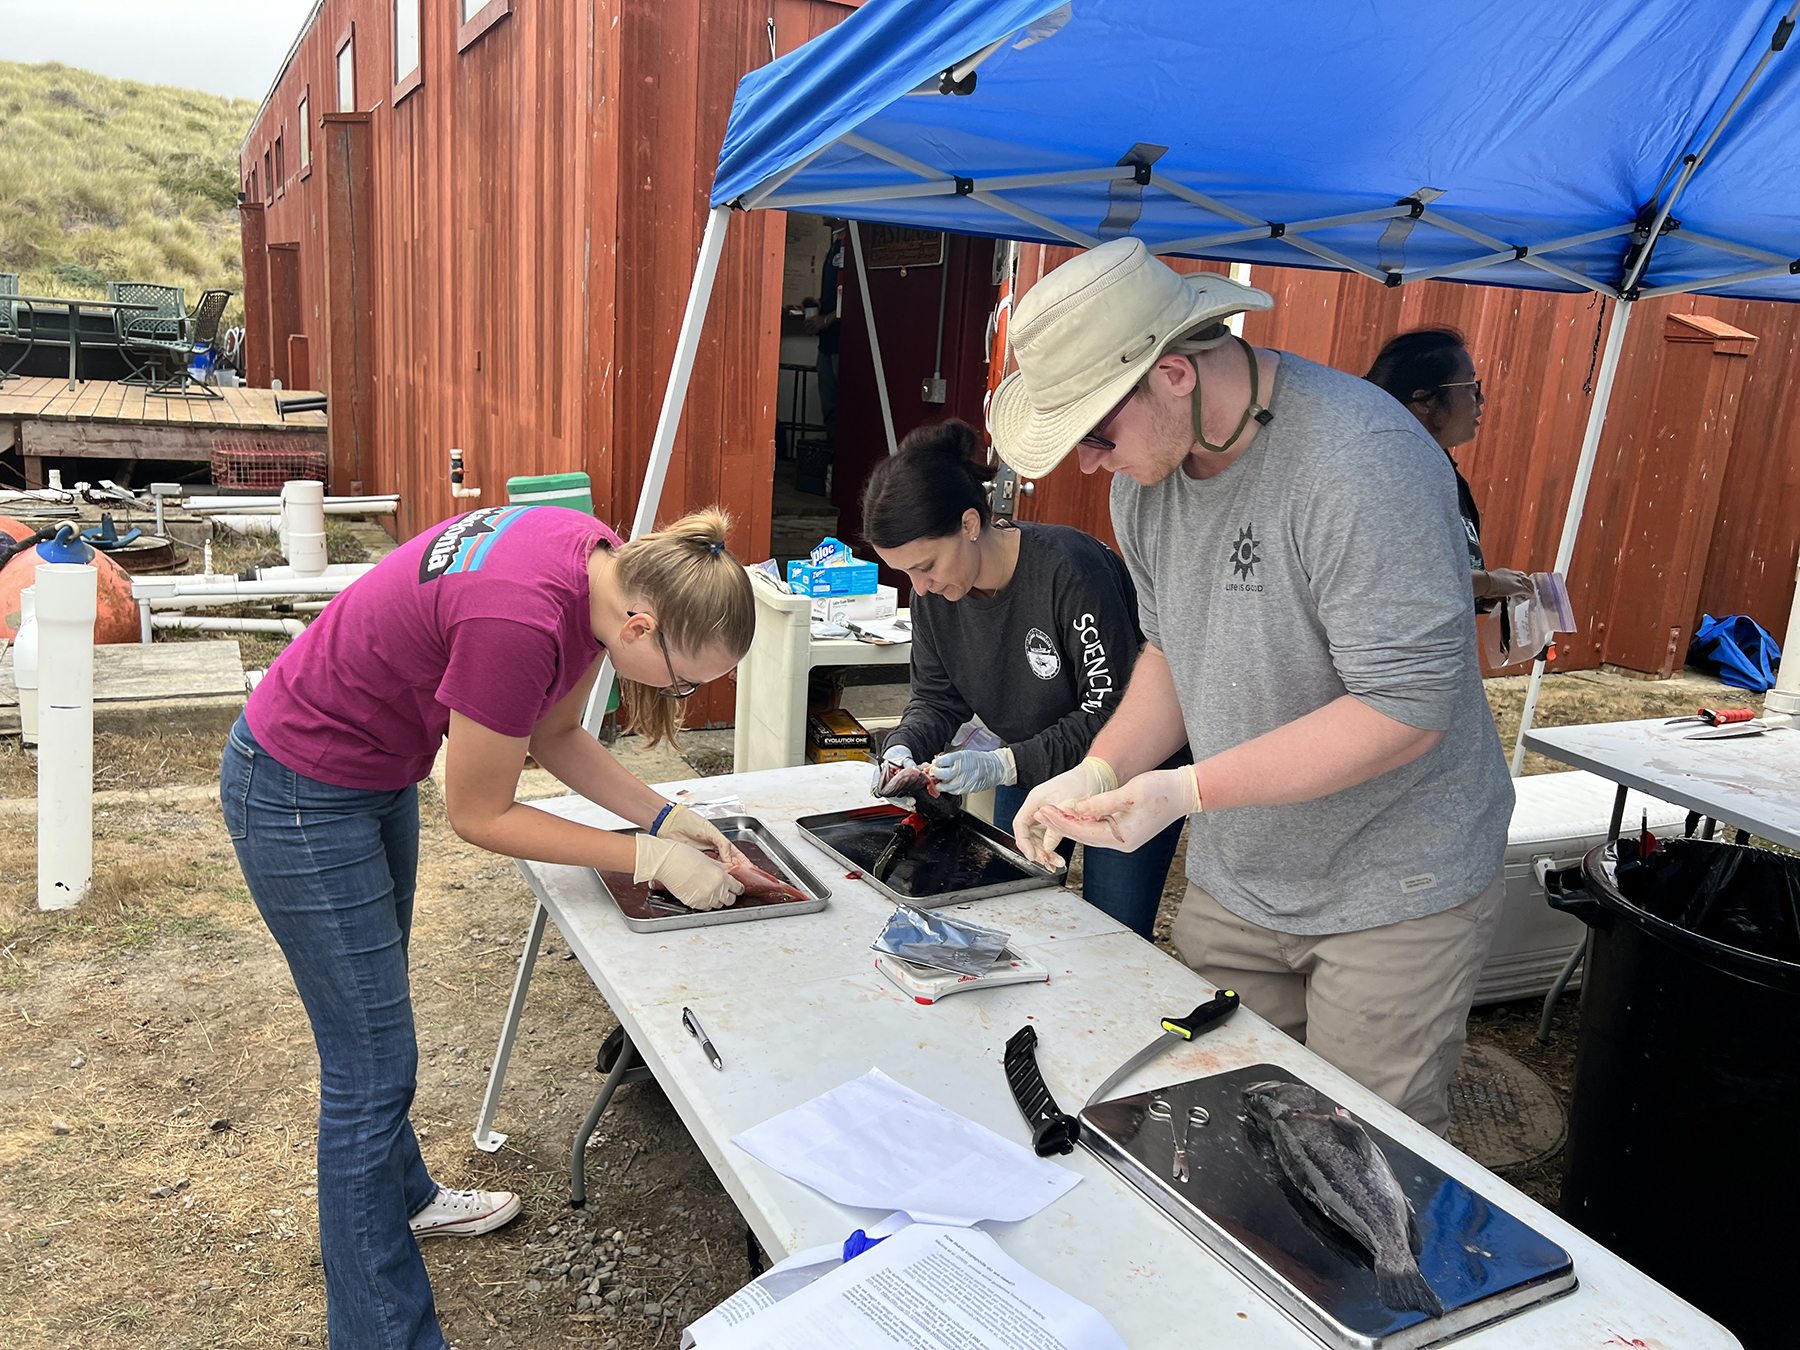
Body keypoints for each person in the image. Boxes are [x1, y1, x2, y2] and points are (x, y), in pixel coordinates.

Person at [990, 238, 1514, 1134]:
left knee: (1362, 1164)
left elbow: (1406, 708)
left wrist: (1186, 789)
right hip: (1243, 876)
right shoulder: (1144, 482)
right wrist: (1105, 771)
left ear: (1175, 376)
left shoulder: (1363, 460)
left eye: (1095, 434)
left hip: (1396, 882)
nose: (1086, 464)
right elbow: (1173, 653)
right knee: (1215, 1125)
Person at [220, 504, 755, 1350]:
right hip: (299, 790)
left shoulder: (597, 561)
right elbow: (479, 812)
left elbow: (553, 733)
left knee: (376, 1035)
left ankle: (407, 1202)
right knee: (369, 1074)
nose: (675, 695)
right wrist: (645, 860)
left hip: (370, 773)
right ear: (642, 623)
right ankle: (380, 1336)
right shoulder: (519, 619)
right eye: (682, 680)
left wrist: (663, 818)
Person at [860, 419, 1185, 940]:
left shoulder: (1070, 571)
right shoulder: (935, 597)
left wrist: (1003, 763)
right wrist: (902, 747)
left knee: (1115, 932)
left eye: (926, 566)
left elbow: (1114, 709)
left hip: (1127, 772)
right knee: (1018, 915)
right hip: (1028, 767)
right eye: (906, 575)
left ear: (970, 524)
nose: (919, 588)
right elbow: (936, 699)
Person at [1364, 329, 1532, 609]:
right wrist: (1493, 582)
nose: (1481, 399)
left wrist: (1483, 594)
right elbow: (1410, 578)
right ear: (1424, 400)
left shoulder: (1440, 470)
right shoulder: (1391, 476)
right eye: (1469, 386)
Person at [804, 221, 846, 444]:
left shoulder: (850, 246)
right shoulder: (834, 245)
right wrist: (817, 305)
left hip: (843, 343)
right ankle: (831, 459)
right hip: (826, 345)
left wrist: (826, 320)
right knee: (829, 407)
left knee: (844, 408)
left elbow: (854, 295)